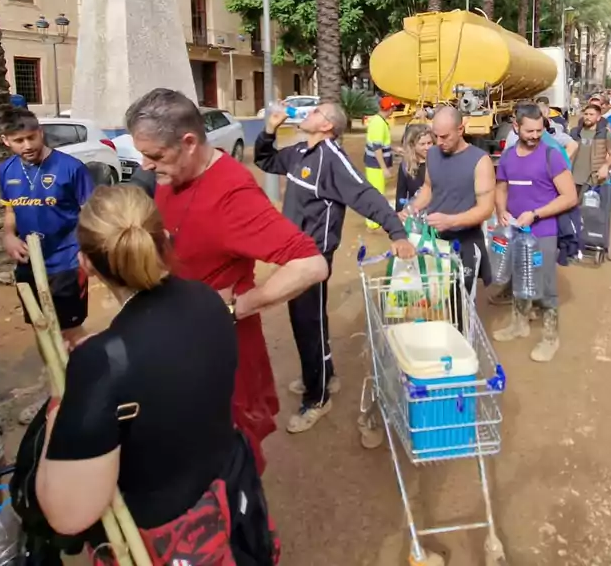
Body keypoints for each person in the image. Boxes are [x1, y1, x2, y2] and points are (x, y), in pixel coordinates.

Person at [35, 186, 275, 563]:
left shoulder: (104, 363)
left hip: (167, 537)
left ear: (86, 264)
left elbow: (69, 515)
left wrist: (59, 403)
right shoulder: (210, 300)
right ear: (164, 239)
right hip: (229, 499)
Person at [125, 89, 328, 473]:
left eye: (155, 156)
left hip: (222, 357)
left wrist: (237, 307)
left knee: (230, 468)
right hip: (181, 346)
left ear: (188, 143)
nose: (146, 166)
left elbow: (311, 264)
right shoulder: (173, 178)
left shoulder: (232, 196)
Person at [255, 102, 414, 432]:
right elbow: (266, 160)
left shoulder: (333, 159)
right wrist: (269, 129)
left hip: (312, 256)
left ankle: (317, 398)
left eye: (315, 112)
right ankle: (327, 376)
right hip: (293, 251)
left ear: (327, 126)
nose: (307, 114)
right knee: (312, 318)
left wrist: (396, 233)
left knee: (306, 323)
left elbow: (365, 195)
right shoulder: (299, 151)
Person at [0, 107, 94, 423]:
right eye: (18, 140)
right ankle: (55, 389)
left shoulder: (70, 169)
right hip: (29, 263)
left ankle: (87, 389)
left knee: (70, 329)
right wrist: (9, 235)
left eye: (31, 136)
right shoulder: (6, 170)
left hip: (66, 259)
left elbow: (89, 214)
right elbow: (11, 211)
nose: (27, 145)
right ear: (5, 141)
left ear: (41, 132)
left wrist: (87, 252)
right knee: (42, 330)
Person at [493, 104, 579, 362]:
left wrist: (537, 213)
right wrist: (501, 211)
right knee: (518, 277)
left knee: (545, 284)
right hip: (515, 230)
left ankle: (551, 337)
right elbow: (501, 188)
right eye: (529, 130)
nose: (534, 135)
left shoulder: (551, 155)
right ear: (516, 127)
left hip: (543, 231)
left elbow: (570, 197)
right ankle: (519, 324)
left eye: (539, 130)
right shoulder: (507, 156)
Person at [403, 106, 497, 297]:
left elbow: (486, 209)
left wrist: (450, 221)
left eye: (445, 137)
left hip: (465, 242)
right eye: (436, 136)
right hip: (434, 242)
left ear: (460, 130)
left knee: (461, 303)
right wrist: (411, 208)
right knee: (434, 297)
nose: (439, 142)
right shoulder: (433, 154)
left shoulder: (480, 161)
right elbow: (429, 188)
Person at [363, 97, 397, 230]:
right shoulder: (378, 123)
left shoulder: (379, 121)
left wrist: (395, 149)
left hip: (375, 165)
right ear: (390, 109)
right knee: (376, 194)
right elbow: (377, 148)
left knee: (378, 193)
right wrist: (384, 168)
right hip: (375, 166)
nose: (394, 110)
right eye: (394, 107)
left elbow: (382, 143)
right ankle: (372, 223)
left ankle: (374, 220)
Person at [568, 104, 611, 194]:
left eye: (591, 115)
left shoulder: (604, 133)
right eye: (586, 114)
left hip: (594, 180)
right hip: (573, 179)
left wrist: (606, 166)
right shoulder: (574, 132)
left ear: (598, 118)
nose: (588, 117)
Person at [396, 123, 433, 211]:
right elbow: (401, 196)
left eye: (429, 143)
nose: (427, 147)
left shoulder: (439, 162)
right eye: (422, 144)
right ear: (412, 145)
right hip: (417, 215)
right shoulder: (406, 166)